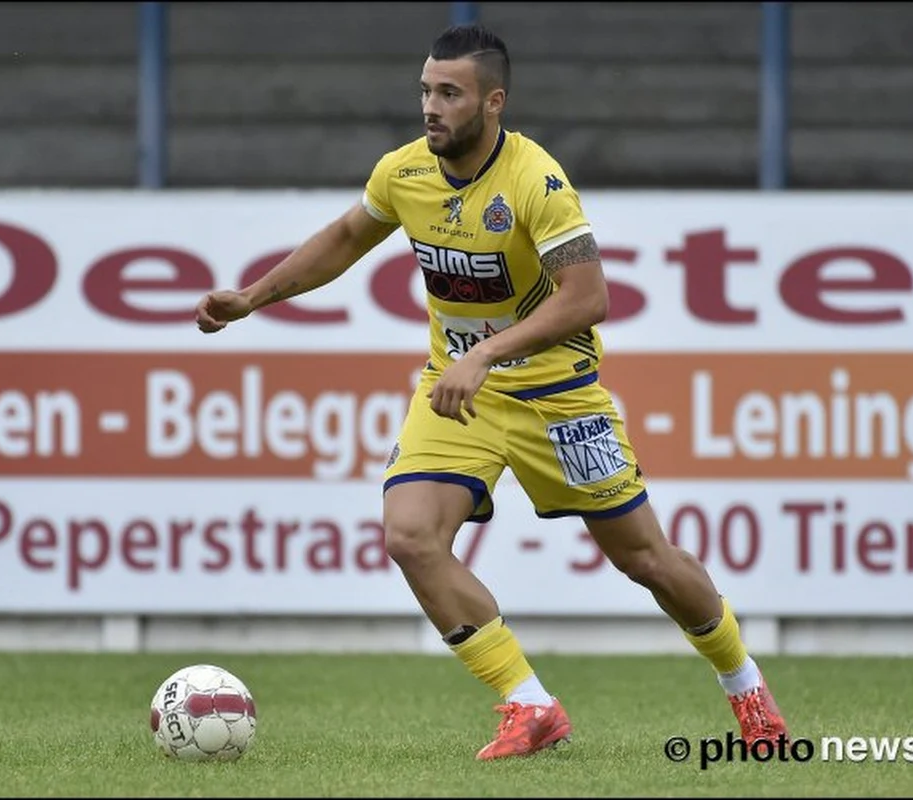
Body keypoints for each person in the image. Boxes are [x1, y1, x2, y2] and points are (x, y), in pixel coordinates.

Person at [194, 22, 789, 761]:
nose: (431, 107)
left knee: (646, 561)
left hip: (557, 396)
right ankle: (528, 703)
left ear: (493, 102)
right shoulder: (403, 173)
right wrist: (252, 298)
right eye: (425, 91)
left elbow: (589, 297)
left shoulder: (536, 182)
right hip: (458, 395)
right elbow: (346, 239)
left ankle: (746, 686)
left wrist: (490, 354)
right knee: (409, 535)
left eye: (449, 93)